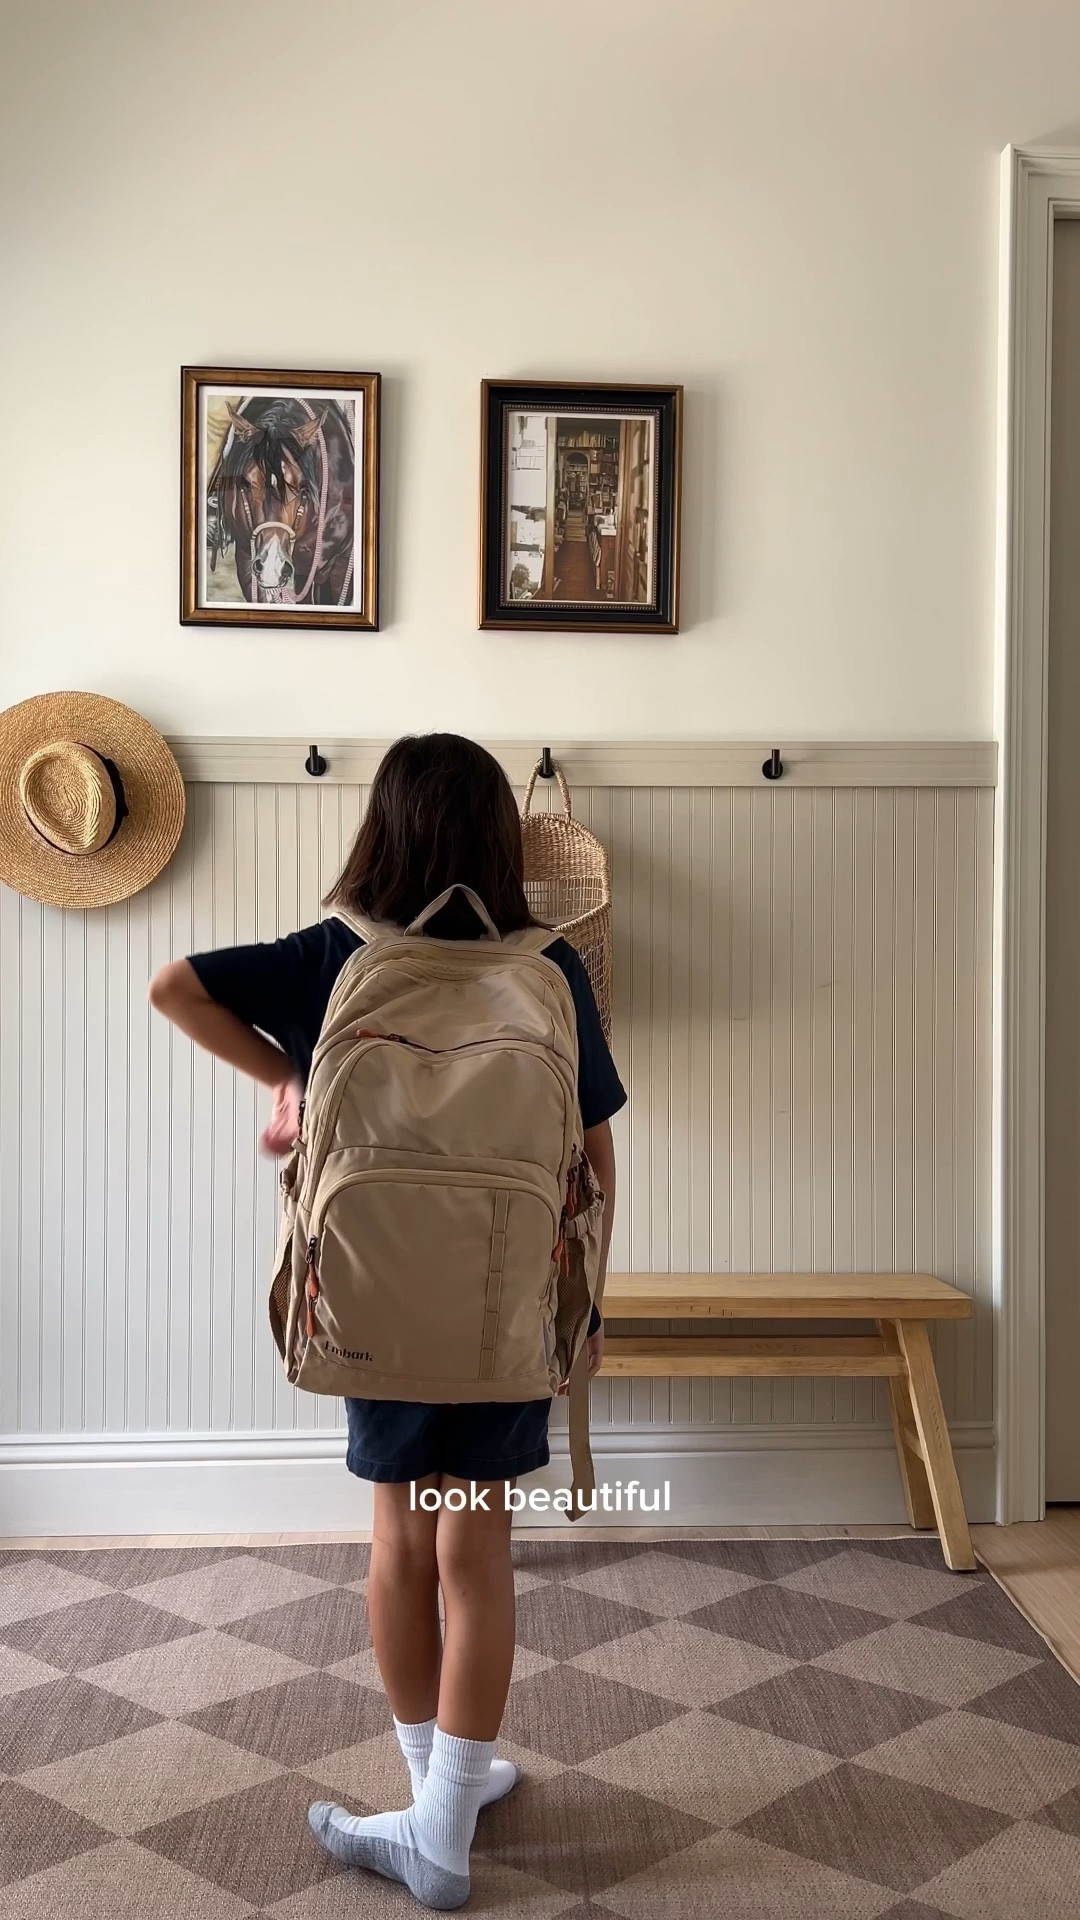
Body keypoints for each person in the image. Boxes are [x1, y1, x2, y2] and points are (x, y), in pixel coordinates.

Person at [148, 732, 625, 1911]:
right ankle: (448, 1801)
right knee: (480, 1547)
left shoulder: (335, 954)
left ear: (383, 828)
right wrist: (590, 1306)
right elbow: (595, 1148)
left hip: (376, 1301)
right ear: (502, 843)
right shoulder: (550, 968)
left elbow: (174, 986)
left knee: (403, 1544)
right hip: (506, 1304)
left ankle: (433, 1812)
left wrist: (288, 1078)